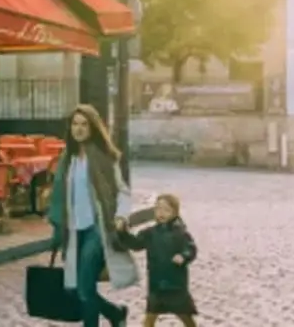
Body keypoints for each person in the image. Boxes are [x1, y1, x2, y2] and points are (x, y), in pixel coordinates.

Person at [48, 104, 138, 326]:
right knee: (77, 289)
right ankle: (115, 313)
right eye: (75, 124)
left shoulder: (104, 158)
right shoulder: (67, 159)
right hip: (73, 232)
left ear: (93, 127)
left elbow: (123, 190)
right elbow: (61, 196)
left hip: (97, 230)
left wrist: (121, 216)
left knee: (85, 289)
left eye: (84, 124)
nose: (78, 129)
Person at [121, 193, 198, 327]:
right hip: (156, 284)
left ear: (175, 212)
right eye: (158, 209)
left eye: (166, 210)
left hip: (176, 284)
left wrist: (184, 256)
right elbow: (135, 244)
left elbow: (191, 249)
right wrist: (122, 233)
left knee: (186, 318)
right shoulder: (150, 233)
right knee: (150, 318)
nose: (161, 213)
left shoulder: (180, 233)